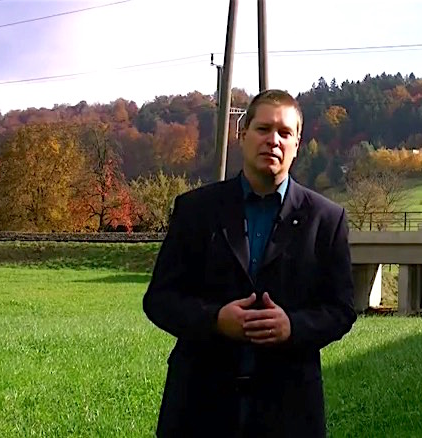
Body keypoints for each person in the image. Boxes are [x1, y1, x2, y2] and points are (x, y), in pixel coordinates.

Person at [143, 89, 357, 437]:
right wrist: (215, 320)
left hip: (288, 409)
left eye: (285, 133)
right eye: (263, 129)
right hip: (199, 405)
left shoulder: (326, 220)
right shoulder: (195, 210)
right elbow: (159, 300)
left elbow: (341, 309)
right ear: (242, 135)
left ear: (297, 145)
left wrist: (293, 326)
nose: (273, 140)